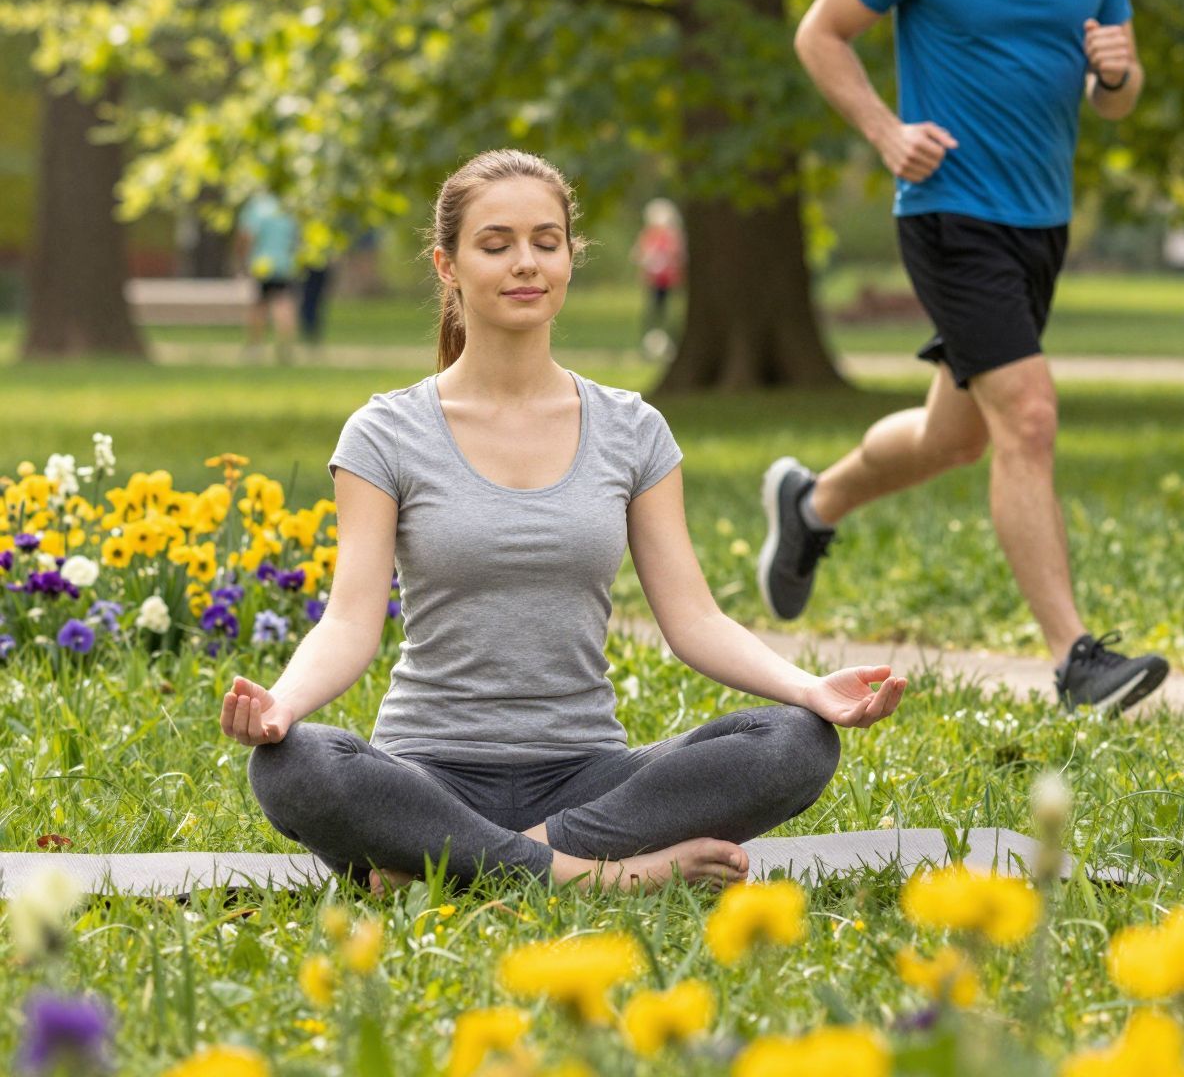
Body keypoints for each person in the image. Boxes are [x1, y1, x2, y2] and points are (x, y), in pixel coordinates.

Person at [224, 149, 905, 893]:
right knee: (294, 768)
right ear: (447, 265)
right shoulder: (385, 433)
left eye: (546, 243)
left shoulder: (632, 429)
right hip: (426, 775)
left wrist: (807, 688)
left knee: (793, 743)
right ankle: (594, 878)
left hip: (587, 779)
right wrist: (283, 705)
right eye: (496, 245)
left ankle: (457, 864)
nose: (526, 264)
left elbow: (695, 620)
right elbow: (351, 621)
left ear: (570, 259)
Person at [759, 0, 1169, 714]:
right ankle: (1077, 660)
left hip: (1039, 221)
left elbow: (1115, 95)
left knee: (957, 438)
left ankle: (810, 503)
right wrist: (884, 131)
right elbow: (820, 35)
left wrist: (1116, 71)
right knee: (1026, 416)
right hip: (948, 211)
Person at [236, 190, 300, 359]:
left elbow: (248, 235)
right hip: (285, 263)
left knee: (259, 305)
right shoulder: (287, 207)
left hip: (262, 264)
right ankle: (285, 347)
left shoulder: (257, 207)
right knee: (284, 302)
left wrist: (243, 259)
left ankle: (255, 346)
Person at [632, 198, 685, 357]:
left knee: (668, 314)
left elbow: (677, 257)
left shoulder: (672, 237)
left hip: (668, 281)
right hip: (654, 281)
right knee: (653, 314)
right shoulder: (648, 236)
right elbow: (639, 256)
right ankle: (649, 345)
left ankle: (670, 344)